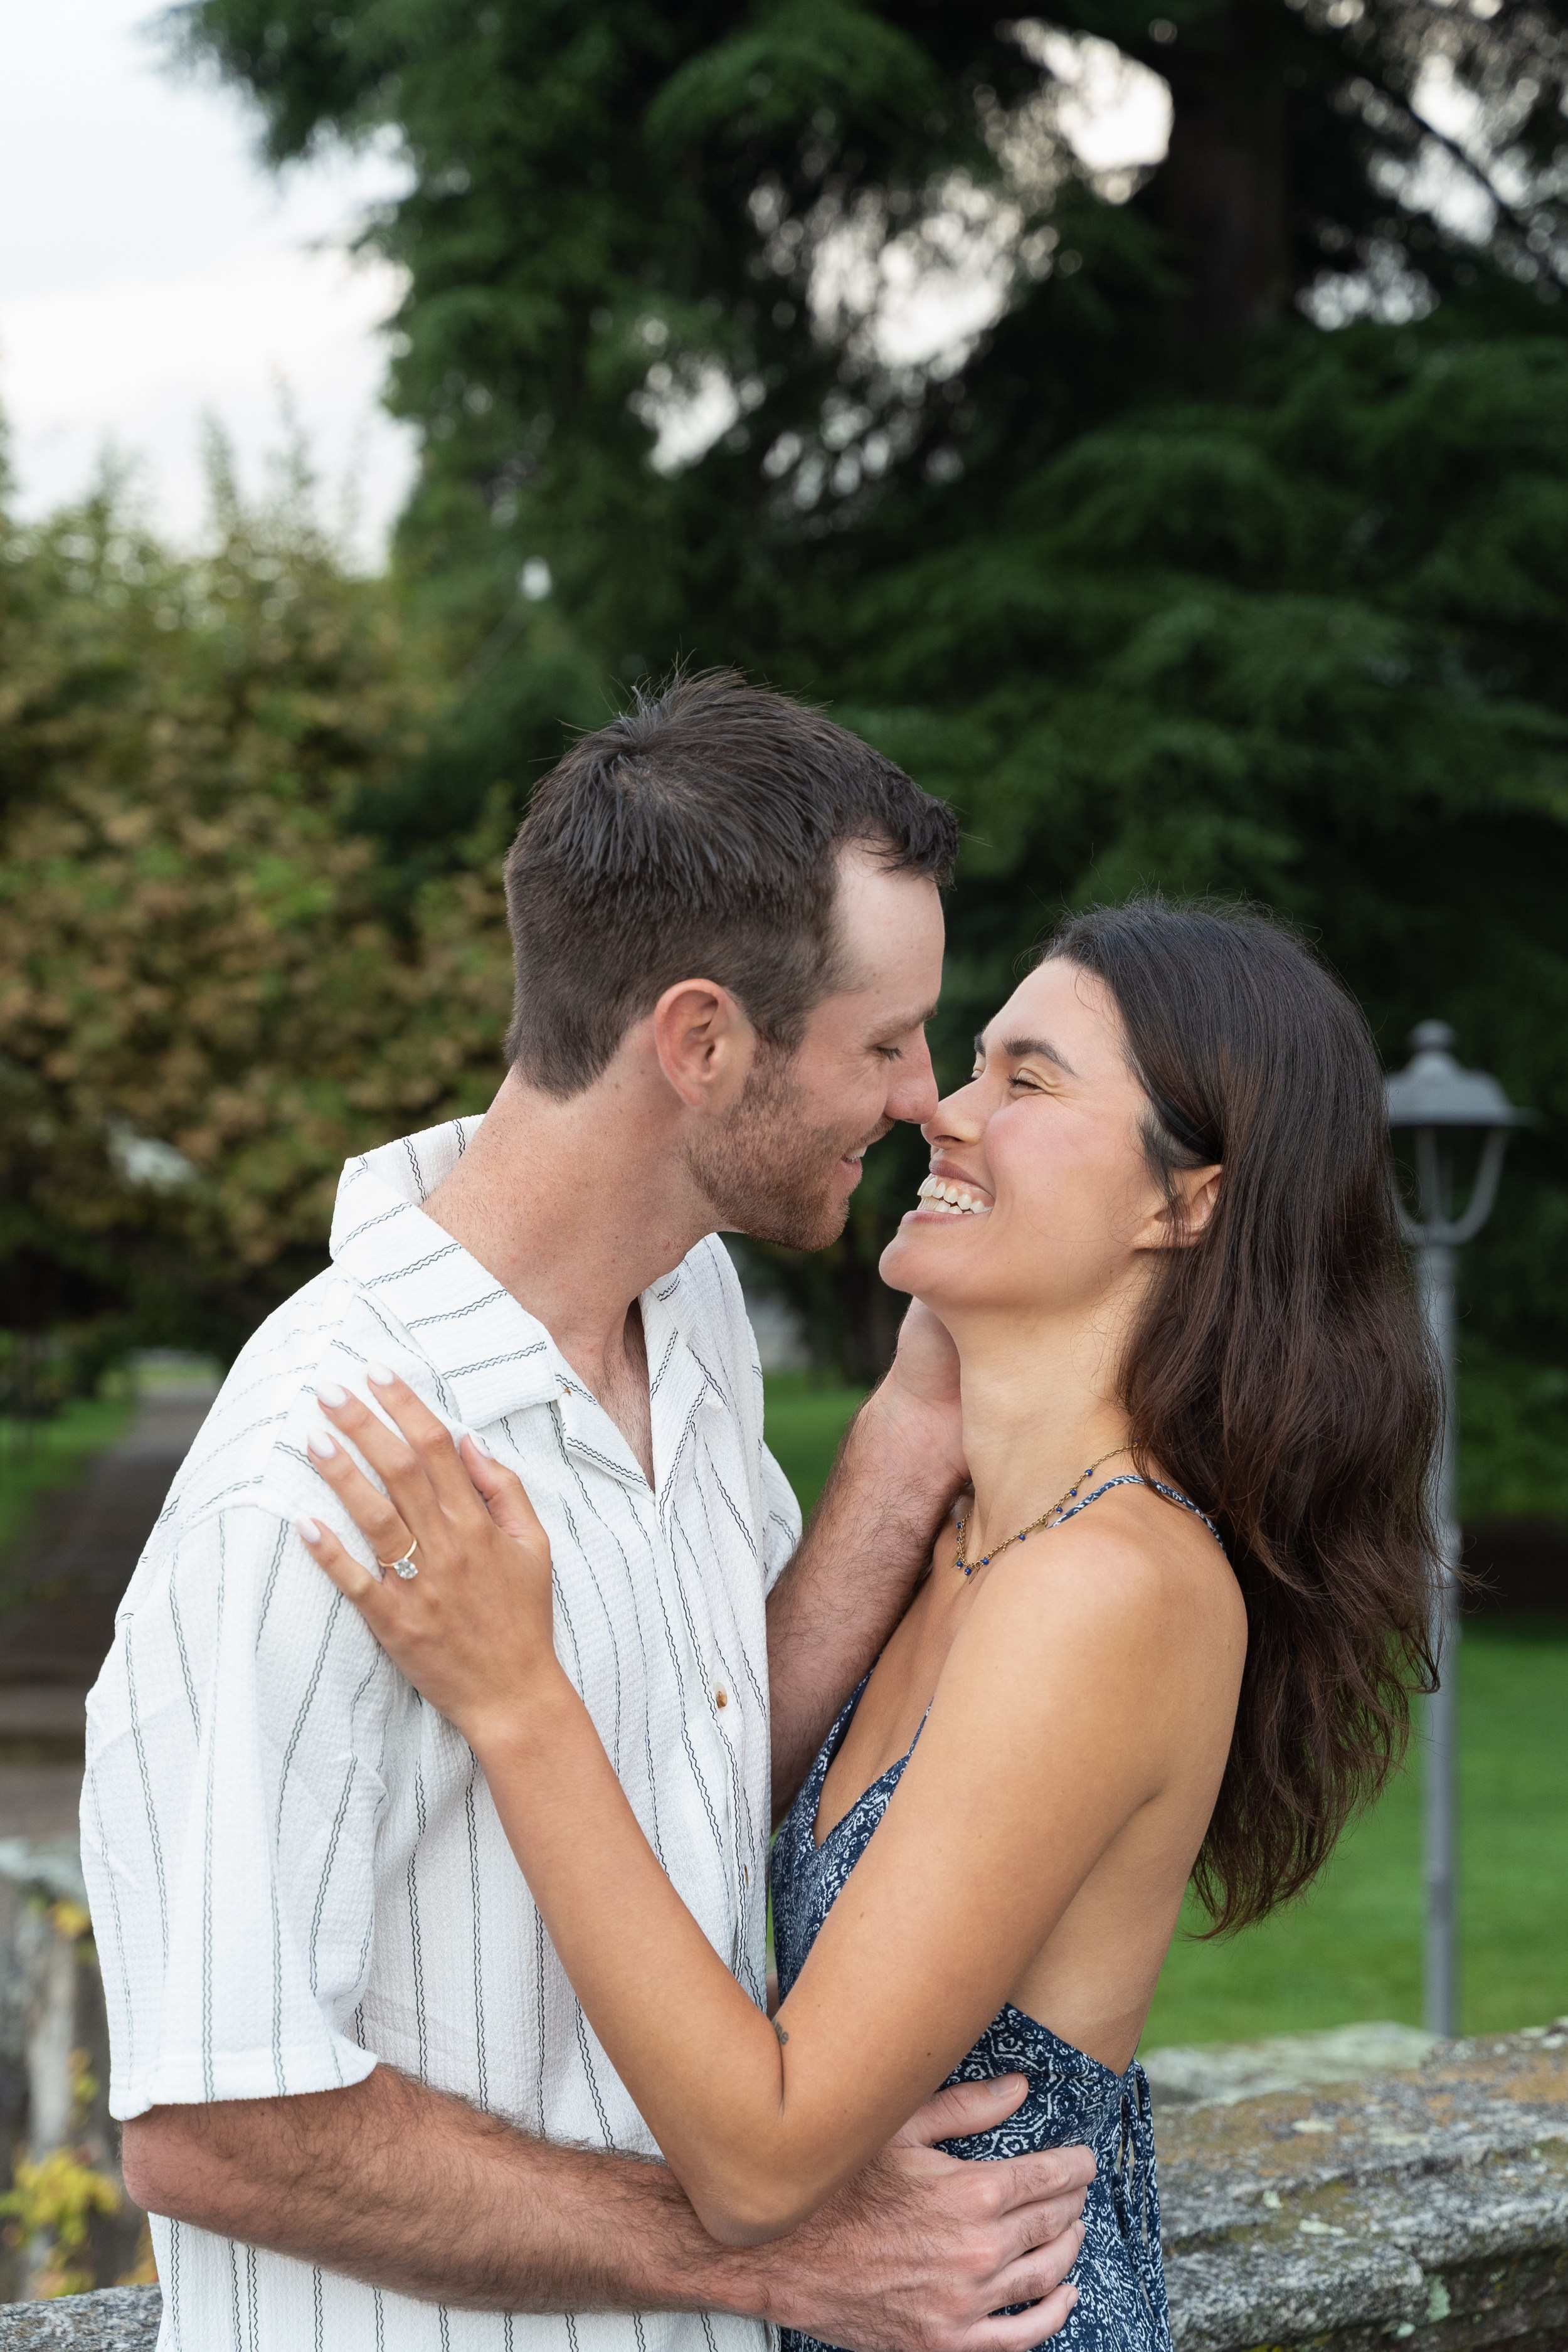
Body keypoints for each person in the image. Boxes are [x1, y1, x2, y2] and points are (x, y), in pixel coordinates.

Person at [84, 674, 1094, 2352]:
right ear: (699, 1042)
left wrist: (916, 1425)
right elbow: (213, 2127)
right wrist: (759, 2257)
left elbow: (695, 1758)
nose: (922, 1095)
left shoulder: (686, 1310)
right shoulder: (319, 1479)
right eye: (881, 1041)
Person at [295, 898, 1441, 2351]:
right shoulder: (980, 1534)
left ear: (1183, 1202)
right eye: (975, 1063)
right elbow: (707, 1816)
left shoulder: (1110, 1585)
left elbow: (762, 2159)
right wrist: (909, 1422)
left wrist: (514, 1697)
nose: (943, 1112)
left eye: (1027, 1082)